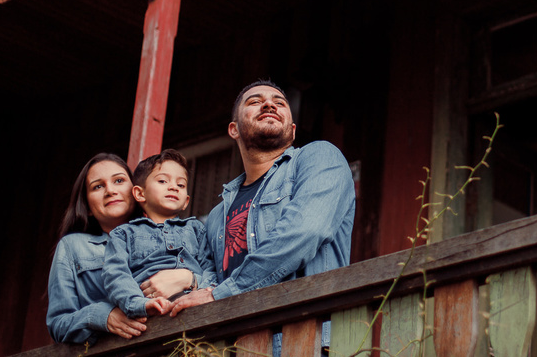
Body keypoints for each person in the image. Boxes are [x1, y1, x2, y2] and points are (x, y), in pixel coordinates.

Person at [166, 81, 355, 313]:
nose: (269, 105)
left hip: (305, 337)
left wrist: (225, 292)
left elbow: (305, 230)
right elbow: (209, 280)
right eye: (255, 102)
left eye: (279, 103)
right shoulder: (217, 216)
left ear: (293, 130)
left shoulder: (319, 157)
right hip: (234, 344)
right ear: (233, 129)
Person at [46, 153, 195, 343]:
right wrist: (103, 316)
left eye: (118, 180)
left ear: (137, 191)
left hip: (179, 345)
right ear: (88, 207)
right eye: (97, 186)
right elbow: (58, 324)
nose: (110, 190)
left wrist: (189, 278)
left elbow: (212, 280)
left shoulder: (177, 233)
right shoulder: (73, 247)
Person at [102, 149, 215, 319]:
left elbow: (210, 268)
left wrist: (204, 289)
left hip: (195, 308)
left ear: (186, 201)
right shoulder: (124, 234)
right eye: (163, 181)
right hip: (150, 312)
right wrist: (139, 304)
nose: (173, 187)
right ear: (140, 193)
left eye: (181, 185)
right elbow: (116, 275)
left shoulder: (196, 229)